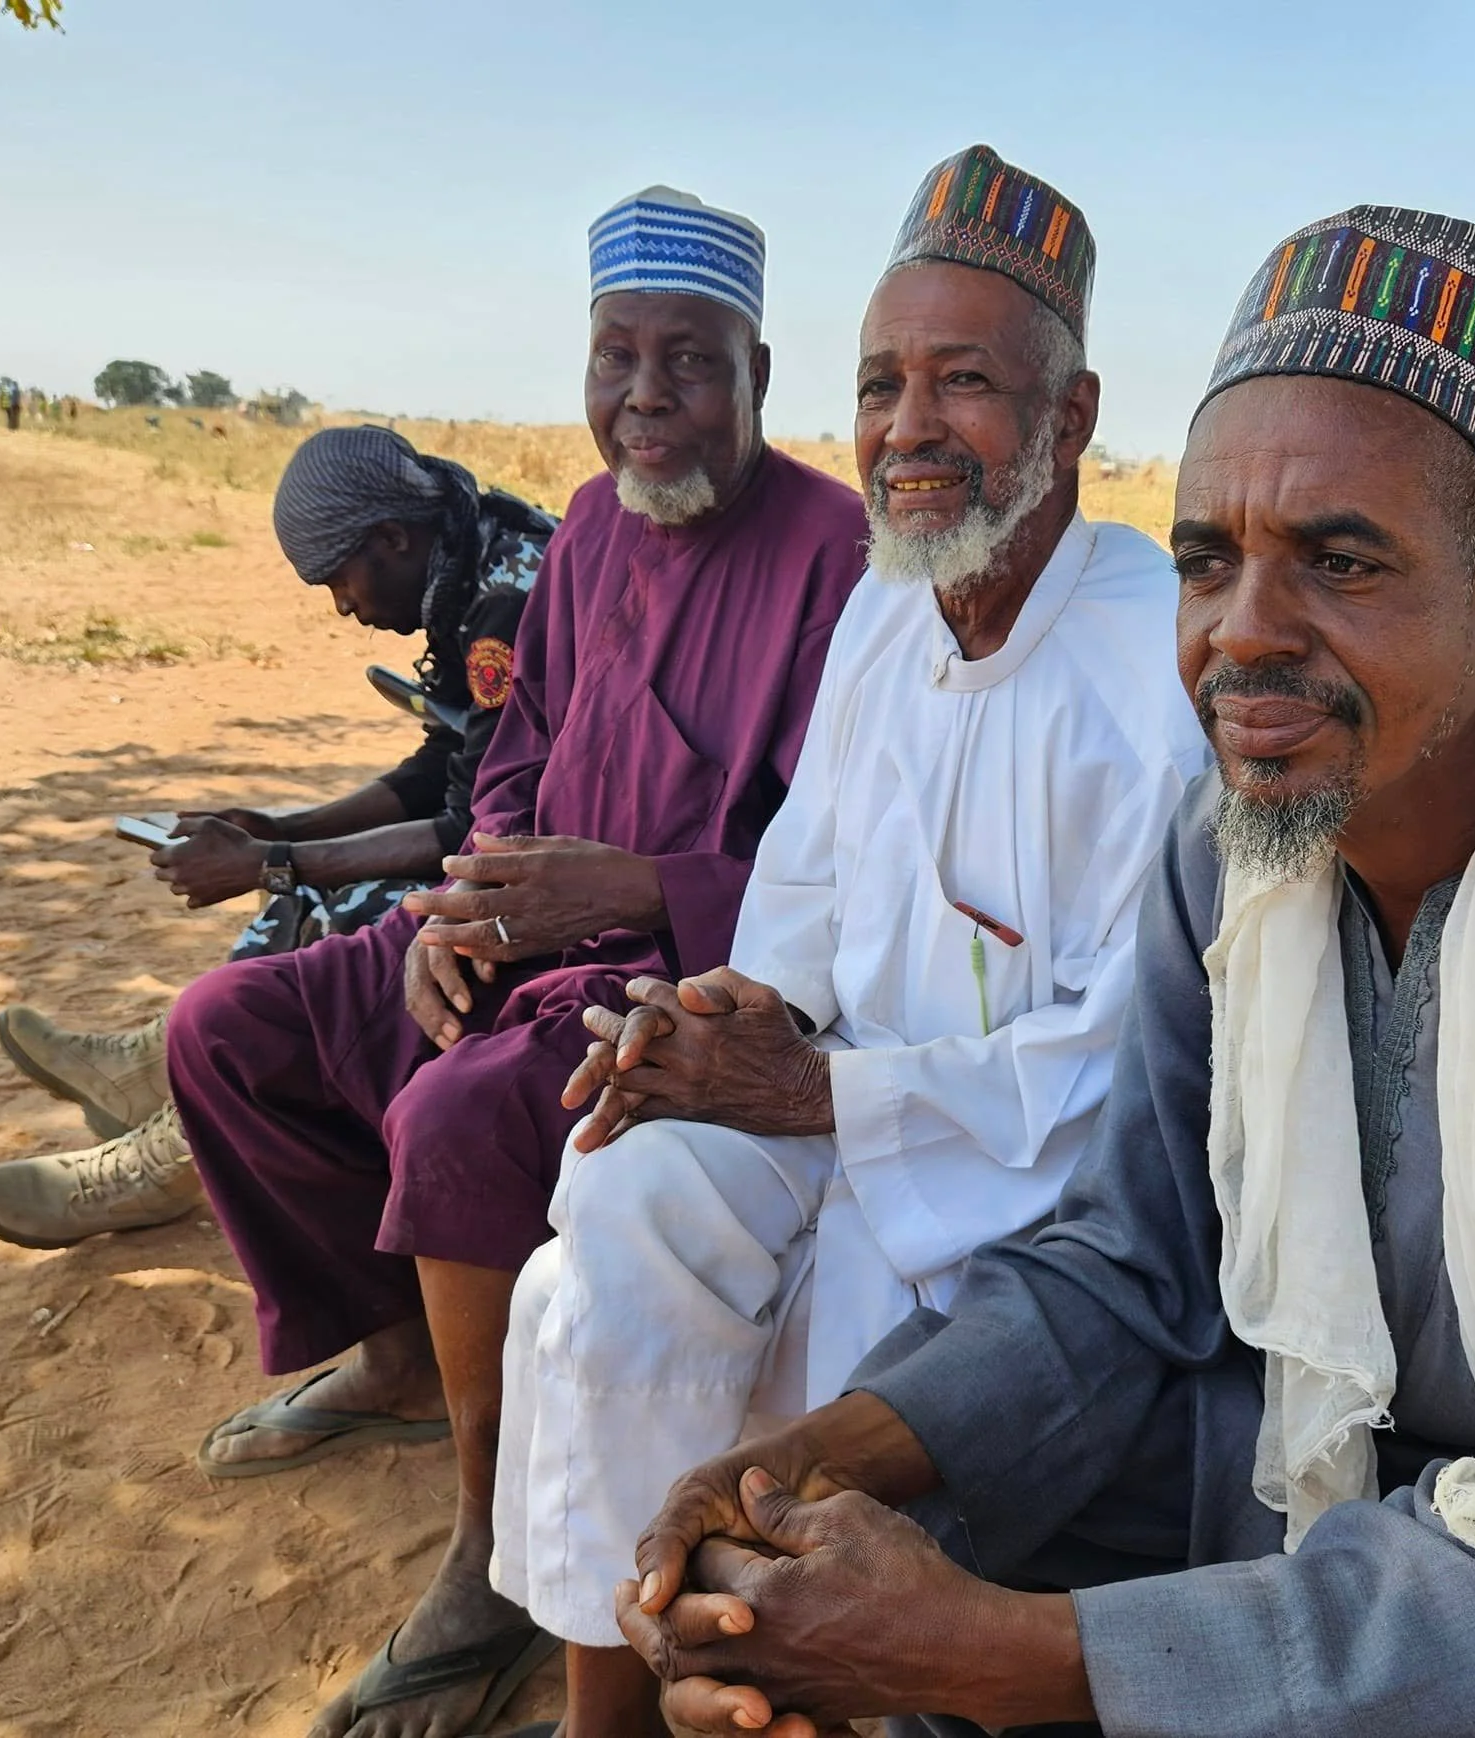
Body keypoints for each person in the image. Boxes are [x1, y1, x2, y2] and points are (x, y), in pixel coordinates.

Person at [615, 210, 1475, 1738]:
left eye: (1339, 561)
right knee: (903, 1551)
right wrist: (806, 1470)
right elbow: (1128, 1269)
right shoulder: (1230, 851)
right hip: (1327, 1493)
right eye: (1208, 561)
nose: (1241, 637)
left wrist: (998, 1655)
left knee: (979, 1642)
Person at [488, 145, 1210, 1738]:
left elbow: (1121, 1075)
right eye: (881, 383)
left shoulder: (1148, 682)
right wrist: (708, 1023)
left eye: (964, 384)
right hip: (840, 1103)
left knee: (866, 1329)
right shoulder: (888, 604)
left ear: (1071, 420)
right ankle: (617, 1676)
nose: (905, 429)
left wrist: (823, 1099)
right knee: (620, 1193)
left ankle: (758, 1669)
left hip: (1017, 1195)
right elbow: (804, 890)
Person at [178, 186, 867, 1738]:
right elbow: (517, 746)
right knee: (229, 1027)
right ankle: (397, 1359)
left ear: (761, 369)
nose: (645, 398)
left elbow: (847, 866)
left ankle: (496, 1553)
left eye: (688, 361)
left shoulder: (839, 556)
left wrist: (629, 889)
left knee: (457, 1121)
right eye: (616, 356)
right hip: (514, 935)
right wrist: (472, 899)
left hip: (680, 971)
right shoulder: (588, 525)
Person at [0, 427, 558, 1250]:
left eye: (340, 580)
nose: (343, 607)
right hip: (521, 839)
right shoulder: (468, 553)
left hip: (568, 867)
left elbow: (473, 824)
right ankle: (160, 1069)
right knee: (316, 883)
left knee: (339, 906)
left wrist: (273, 864)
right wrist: (280, 829)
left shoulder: (505, 598)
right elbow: (446, 763)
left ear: (392, 537)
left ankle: (171, 1153)